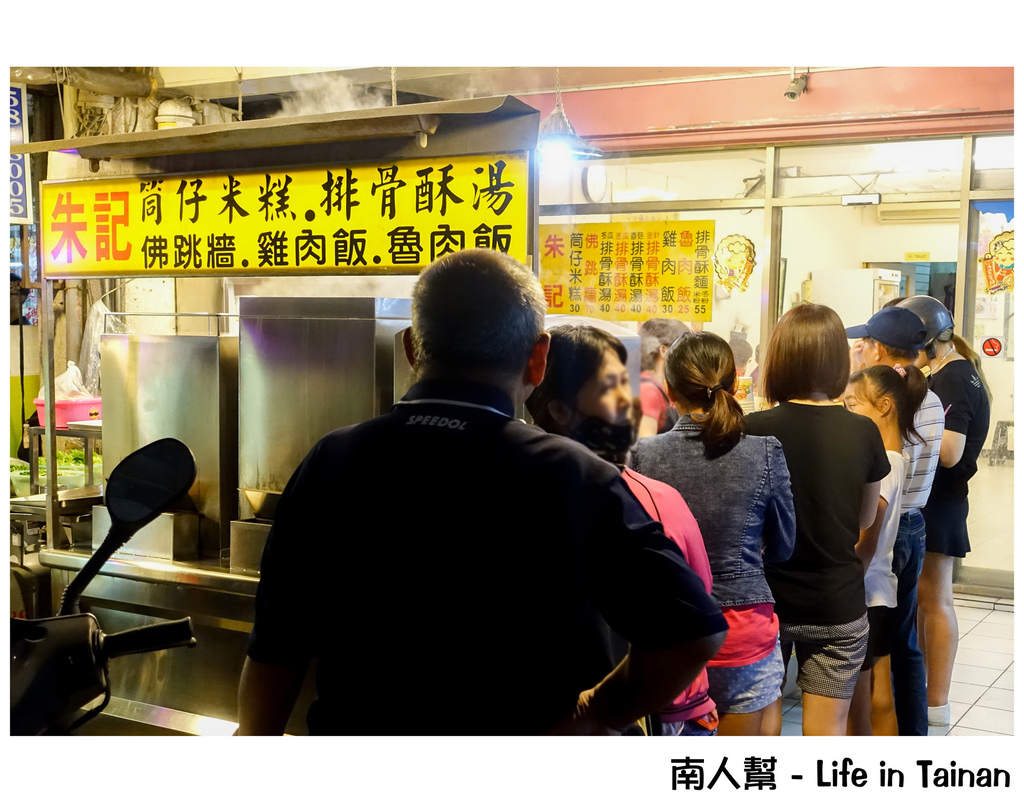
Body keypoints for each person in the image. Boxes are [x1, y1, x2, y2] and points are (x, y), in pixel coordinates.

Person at [236, 249, 727, 736]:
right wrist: (596, 712)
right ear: (538, 360)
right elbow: (690, 631)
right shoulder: (572, 476)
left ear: (411, 348)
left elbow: (277, 642)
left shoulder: (334, 459)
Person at [526, 324, 719, 736]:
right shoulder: (647, 497)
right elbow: (696, 610)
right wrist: (599, 711)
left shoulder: (506, 483)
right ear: (560, 409)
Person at [630, 330, 796, 736]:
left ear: (671, 391)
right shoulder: (765, 451)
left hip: (672, 634)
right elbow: (784, 547)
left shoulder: (642, 456)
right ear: (735, 385)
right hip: (743, 632)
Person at [745, 304, 890, 736]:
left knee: (763, 730)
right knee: (826, 739)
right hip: (836, 602)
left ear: (779, 359)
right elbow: (865, 517)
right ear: (837, 363)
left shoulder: (751, 429)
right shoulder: (862, 431)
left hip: (765, 601)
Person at [845, 304, 944, 736]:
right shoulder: (930, 397)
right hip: (912, 526)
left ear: (882, 350)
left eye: (865, 344)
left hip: (883, 540)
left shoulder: (885, 424)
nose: (861, 352)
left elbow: (868, 530)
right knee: (901, 646)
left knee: (876, 661)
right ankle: (913, 735)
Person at [897, 295, 991, 728]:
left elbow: (950, 452)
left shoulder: (954, 378)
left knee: (935, 601)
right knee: (928, 600)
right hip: (943, 501)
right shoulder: (956, 372)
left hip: (942, 503)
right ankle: (927, 698)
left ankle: (936, 703)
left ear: (929, 343)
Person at [637, 318, 689, 437]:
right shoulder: (648, 390)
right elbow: (645, 448)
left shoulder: (662, 385)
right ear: (664, 350)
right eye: (683, 349)